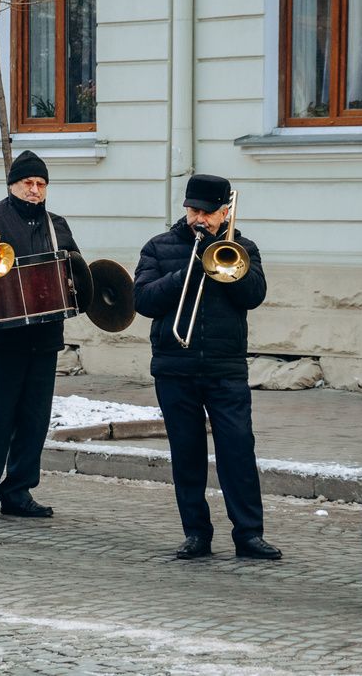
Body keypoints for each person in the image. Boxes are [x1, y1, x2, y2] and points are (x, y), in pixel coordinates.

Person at [133, 174, 281, 562]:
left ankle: (249, 535)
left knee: (238, 451)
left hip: (225, 367)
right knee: (187, 453)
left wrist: (222, 260)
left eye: (208, 213)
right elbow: (144, 300)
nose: (200, 219)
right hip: (174, 365)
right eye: (193, 210)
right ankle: (196, 533)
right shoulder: (159, 247)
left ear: (224, 212)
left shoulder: (242, 248)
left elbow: (254, 297)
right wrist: (188, 272)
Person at [0, 150, 79, 520]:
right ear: (12, 184)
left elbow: (73, 266)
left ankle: (19, 491)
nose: (35, 190)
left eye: (41, 184)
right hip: (1, 336)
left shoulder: (56, 225)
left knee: (34, 417)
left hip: (44, 336)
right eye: (28, 183)